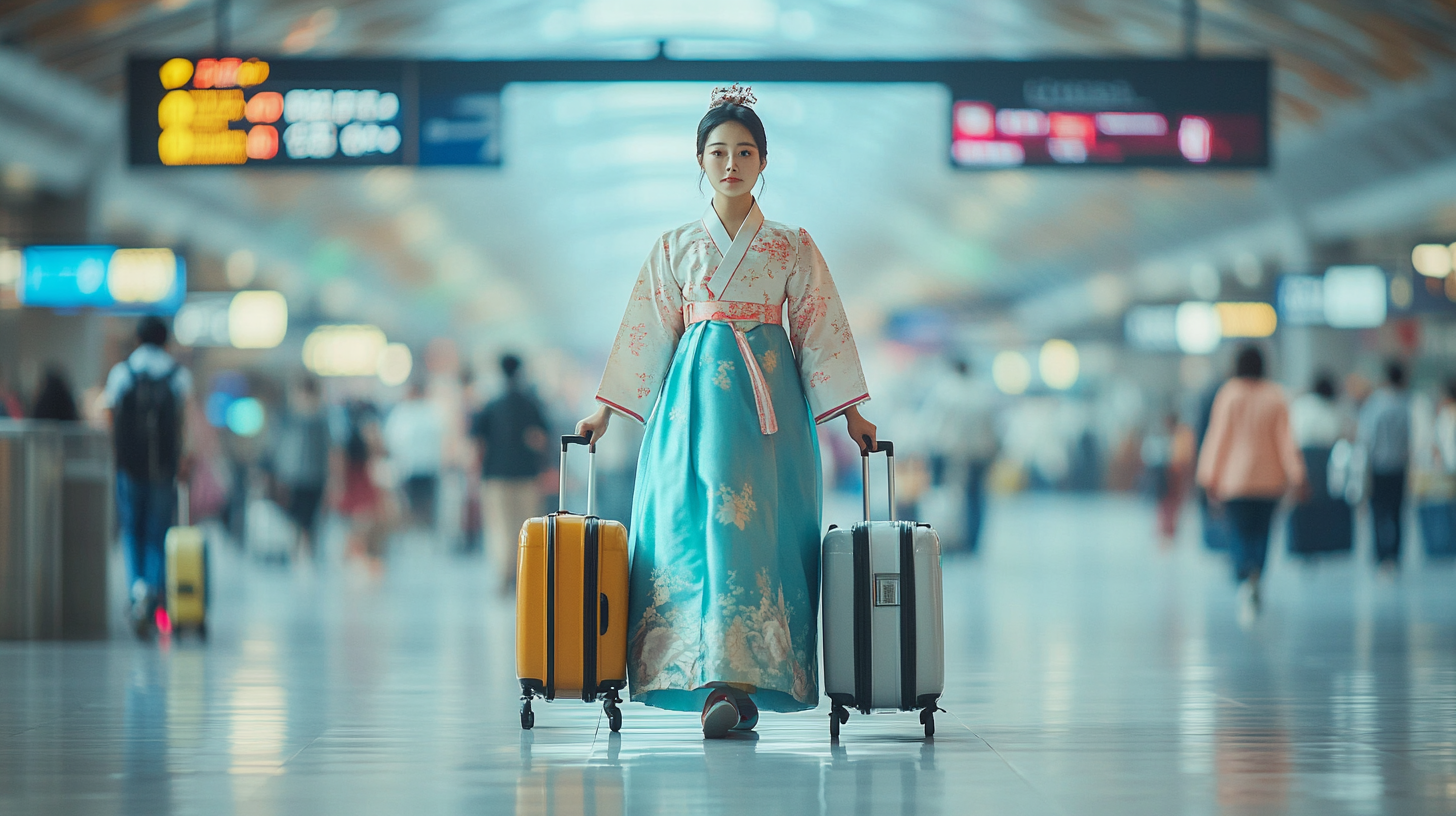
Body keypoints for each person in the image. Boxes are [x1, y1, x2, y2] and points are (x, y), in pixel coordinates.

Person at [575, 85, 877, 739]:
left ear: (764, 160)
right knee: (690, 536)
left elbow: (820, 328)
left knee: (754, 540)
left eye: (744, 151)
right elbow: (646, 331)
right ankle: (707, 677)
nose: (731, 163)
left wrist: (851, 415)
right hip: (690, 414)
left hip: (769, 418)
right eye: (719, 152)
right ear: (700, 160)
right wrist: (607, 413)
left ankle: (742, 682)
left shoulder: (792, 246)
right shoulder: (674, 245)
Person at [1196, 346, 1305, 623]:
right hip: (1269, 482)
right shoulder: (1276, 396)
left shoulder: (1229, 394)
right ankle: (1256, 574)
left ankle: (1244, 578)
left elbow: (1218, 437)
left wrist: (1209, 477)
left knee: (1239, 532)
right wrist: (1297, 474)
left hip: (1236, 481)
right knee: (1263, 532)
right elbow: (1286, 440)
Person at [102, 316, 193, 637]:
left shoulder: (122, 373)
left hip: (129, 467)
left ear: (138, 340)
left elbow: (110, 419)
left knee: (132, 531)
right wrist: (183, 460)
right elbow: (185, 422)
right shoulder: (177, 375)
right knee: (158, 531)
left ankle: (136, 591)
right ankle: (154, 592)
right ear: (166, 341)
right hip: (164, 468)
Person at [471, 354, 549, 592]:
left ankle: (504, 575)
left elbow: (478, 444)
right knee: (526, 526)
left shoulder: (490, 404)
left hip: (495, 475)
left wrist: (475, 474)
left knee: (500, 527)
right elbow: (541, 439)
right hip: (526, 475)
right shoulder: (531, 403)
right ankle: (524, 574)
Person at [921, 359, 998, 552]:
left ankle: (945, 536)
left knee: (945, 496)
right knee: (975, 499)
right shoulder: (982, 392)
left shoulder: (944, 390)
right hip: (978, 454)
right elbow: (992, 428)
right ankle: (972, 541)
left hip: (946, 452)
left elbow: (932, 424)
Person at [1358, 361, 1411, 570]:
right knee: (1398, 512)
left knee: (1378, 513)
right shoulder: (1405, 403)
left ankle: (1381, 555)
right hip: (1399, 466)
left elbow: (1366, 436)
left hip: (1378, 466)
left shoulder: (1374, 403)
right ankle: (1395, 555)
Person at [272, 376, 331, 558]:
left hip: (315, 477)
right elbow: (281, 449)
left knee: (311, 521)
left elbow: (327, 450)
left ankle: (308, 554)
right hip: (293, 478)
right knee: (294, 518)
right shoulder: (288, 418)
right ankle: (296, 553)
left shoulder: (321, 420)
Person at [383, 380, 443, 530]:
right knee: (411, 502)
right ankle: (414, 527)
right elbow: (392, 440)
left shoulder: (429, 410)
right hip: (410, 468)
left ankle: (425, 527)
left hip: (427, 467)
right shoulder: (404, 411)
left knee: (426, 502)